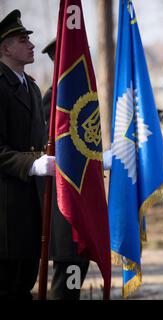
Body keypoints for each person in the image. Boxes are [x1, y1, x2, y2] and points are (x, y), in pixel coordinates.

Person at [0, 9, 55, 299]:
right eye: (23, 40)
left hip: (31, 202)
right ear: (5, 48)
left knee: (25, 284)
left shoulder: (31, 87)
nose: (32, 45)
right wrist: (33, 164)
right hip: (7, 209)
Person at [41, 38, 90, 300]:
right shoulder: (57, 98)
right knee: (68, 276)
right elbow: (55, 149)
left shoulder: (79, 97)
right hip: (65, 209)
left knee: (76, 272)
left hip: (79, 202)